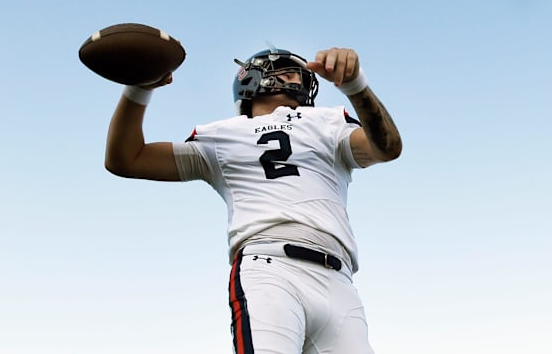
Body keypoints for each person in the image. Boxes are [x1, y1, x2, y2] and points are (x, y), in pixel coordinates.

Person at [104, 46, 402, 354]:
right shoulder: (221, 135)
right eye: (286, 69)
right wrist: (139, 87)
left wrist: (355, 85)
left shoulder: (327, 121)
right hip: (270, 269)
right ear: (252, 78)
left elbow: (387, 147)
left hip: (339, 280)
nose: (299, 77)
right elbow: (127, 159)